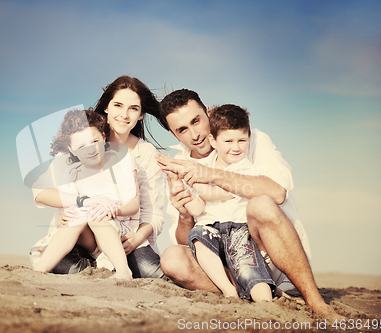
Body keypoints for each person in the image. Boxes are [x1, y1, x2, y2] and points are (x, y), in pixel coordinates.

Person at [155, 89, 342, 319]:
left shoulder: (247, 140)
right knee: (172, 258)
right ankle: (242, 290)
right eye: (182, 129)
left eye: (196, 121)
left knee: (261, 204)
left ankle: (315, 302)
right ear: (175, 136)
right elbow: (188, 239)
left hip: (266, 252)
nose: (195, 134)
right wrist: (183, 213)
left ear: (208, 112)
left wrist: (211, 175)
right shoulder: (180, 167)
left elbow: (277, 192)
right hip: (221, 264)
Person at [167, 104, 275, 302]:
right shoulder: (205, 166)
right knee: (199, 237)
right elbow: (199, 207)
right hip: (213, 229)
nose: (235, 147)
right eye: (229, 141)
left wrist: (191, 178)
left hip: (239, 229)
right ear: (214, 141)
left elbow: (215, 194)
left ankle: (265, 302)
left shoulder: (244, 169)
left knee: (248, 265)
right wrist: (180, 189)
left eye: (242, 141)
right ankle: (228, 290)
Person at [32, 109, 137, 280]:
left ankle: (123, 270)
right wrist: (65, 213)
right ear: (71, 150)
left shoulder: (121, 161)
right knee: (79, 216)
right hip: (87, 239)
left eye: (94, 141)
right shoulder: (73, 173)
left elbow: (133, 204)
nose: (90, 150)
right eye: (81, 147)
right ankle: (40, 269)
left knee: (97, 215)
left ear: (104, 136)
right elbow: (59, 199)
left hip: (113, 230)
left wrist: (109, 208)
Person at [94, 75, 165, 279]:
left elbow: (154, 213)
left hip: (129, 238)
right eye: (118, 105)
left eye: (133, 108)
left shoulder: (146, 153)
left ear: (141, 114)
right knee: (64, 265)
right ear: (106, 107)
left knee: (152, 272)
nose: (124, 115)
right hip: (90, 235)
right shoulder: (89, 142)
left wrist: (136, 239)